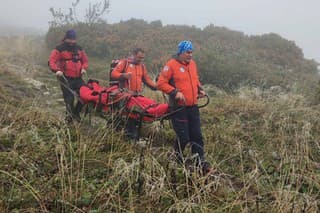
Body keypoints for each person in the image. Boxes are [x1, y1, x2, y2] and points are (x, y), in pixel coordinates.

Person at [157, 40, 212, 174]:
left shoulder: (192, 64)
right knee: (184, 137)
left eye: (191, 52)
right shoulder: (171, 65)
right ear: (181, 52)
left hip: (193, 107)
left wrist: (200, 89)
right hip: (178, 108)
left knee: (197, 136)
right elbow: (161, 83)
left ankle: (200, 163)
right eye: (188, 52)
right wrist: (175, 92)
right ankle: (177, 158)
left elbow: (195, 79)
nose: (190, 55)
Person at [111, 48, 157, 140]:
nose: (141, 60)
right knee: (129, 115)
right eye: (139, 57)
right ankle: (128, 136)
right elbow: (113, 73)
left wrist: (156, 86)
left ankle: (131, 136)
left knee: (136, 115)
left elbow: (147, 79)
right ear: (134, 55)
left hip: (137, 95)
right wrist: (123, 75)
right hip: (125, 94)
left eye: (142, 58)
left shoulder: (142, 67)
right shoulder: (125, 63)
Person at [48, 29, 89, 123]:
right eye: (70, 39)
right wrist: (57, 70)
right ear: (66, 38)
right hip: (65, 78)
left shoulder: (79, 48)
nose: (72, 41)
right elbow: (51, 61)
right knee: (69, 99)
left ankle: (76, 112)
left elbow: (85, 61)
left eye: (73, 39)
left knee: (85, 95)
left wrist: (83, 68)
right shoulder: (59, 48)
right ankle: (69, 121)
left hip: (78, 78)